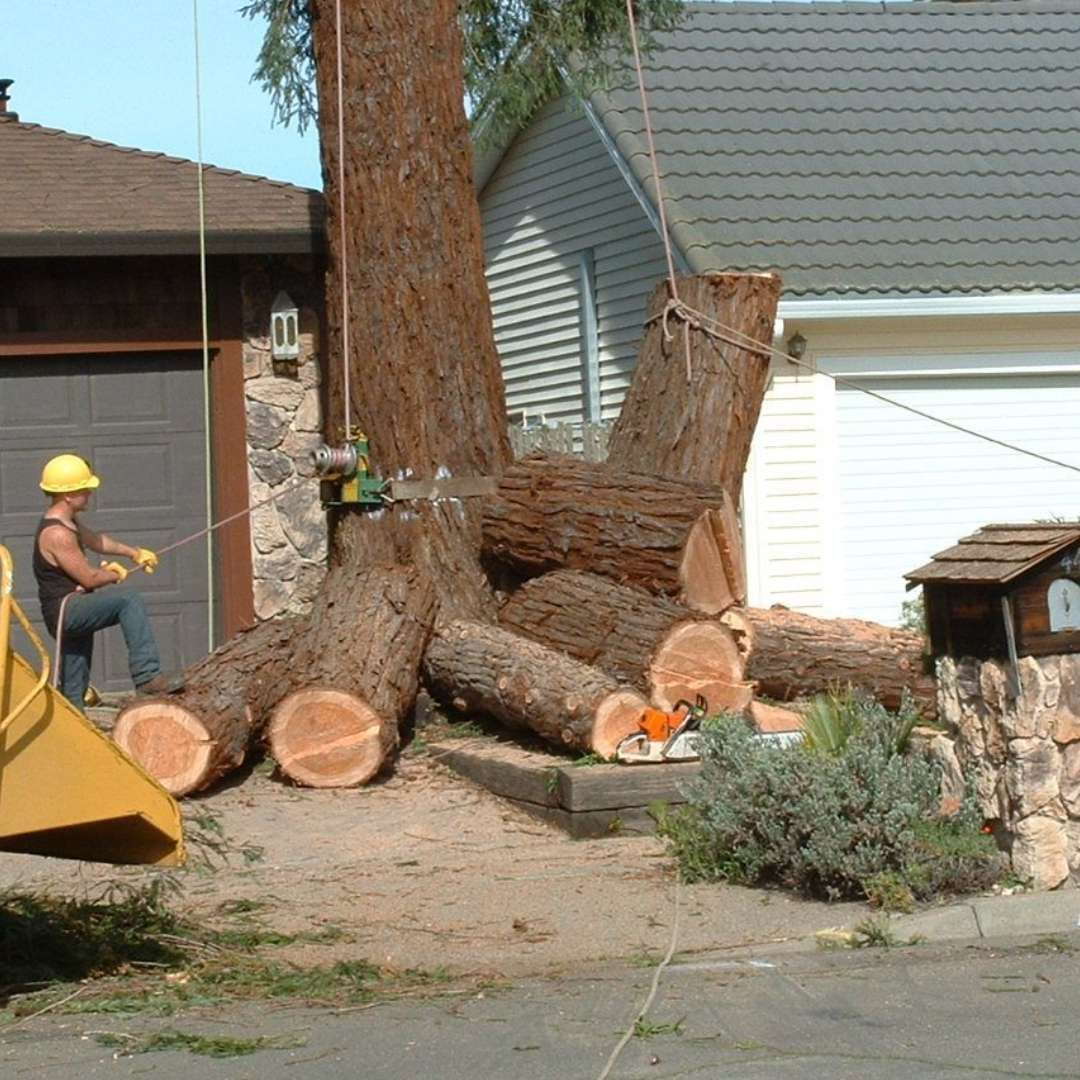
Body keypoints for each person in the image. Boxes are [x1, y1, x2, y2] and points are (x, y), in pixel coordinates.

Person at [32, 454, 184, 711]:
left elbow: (97, 541)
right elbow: (89, 577)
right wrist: (114, 574)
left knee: (73, 693)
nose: (90, 493)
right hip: (66, 613)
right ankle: (147, 676)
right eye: (85, 488)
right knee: (128, 600)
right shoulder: (57, 533)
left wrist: (134, 553)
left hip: (76, 606)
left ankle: (72, 723)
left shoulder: (68, 521)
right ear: (68, 495)